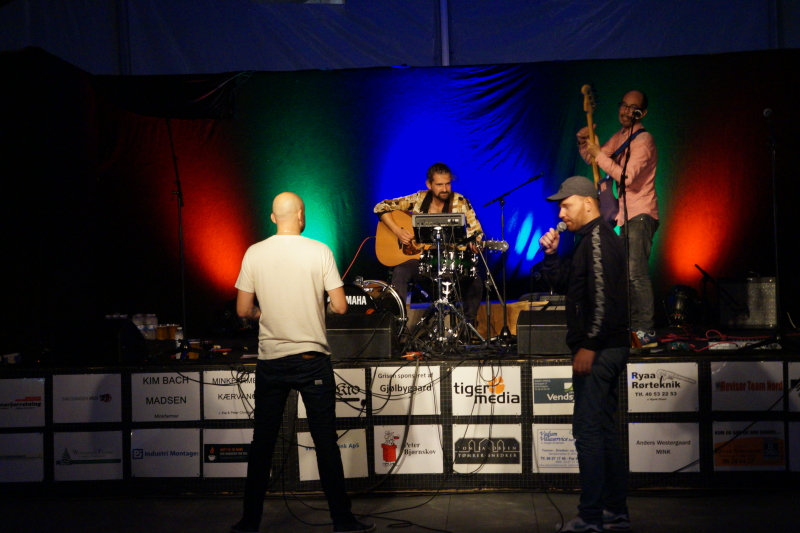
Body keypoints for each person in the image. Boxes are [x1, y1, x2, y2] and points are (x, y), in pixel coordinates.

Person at [232, 192, 375, 533]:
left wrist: (262, 314)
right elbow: (340, 306)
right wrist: (315, 309)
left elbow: (243, 310)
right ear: (301, 215)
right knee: (325, 442)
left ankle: (249, 522)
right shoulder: (319, 251)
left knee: (262, 444)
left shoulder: (254, 252)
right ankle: (342, 521)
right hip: (312, 362)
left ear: (273, 218)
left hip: (271, 361)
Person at [538, 176, 630, 533]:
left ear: (588, 203)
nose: (561, 212)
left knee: (588, 431)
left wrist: (589, 344)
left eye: (566, 204)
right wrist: (551, 256)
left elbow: (603, 299)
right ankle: (615, 511)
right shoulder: (587, 240)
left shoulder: (598, 240)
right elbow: (568, 286)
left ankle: (591, 517)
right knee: (603, 430)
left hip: (601, 348)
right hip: (605, 346)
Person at [577, 90, 659, 347]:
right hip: (626, 216)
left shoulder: (643, 140)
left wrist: (598, 153)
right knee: (626, 276)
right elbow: (595, 160)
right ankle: (632, 329)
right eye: (623, 105)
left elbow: (626, 177)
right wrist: (584, 143)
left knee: (636, 274)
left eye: (632, 107)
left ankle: (646, 330)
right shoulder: (621, 136)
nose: (625, 111)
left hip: (641, 214)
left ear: (642, 113)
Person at [373, 162, 484, 325]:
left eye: (448, 184)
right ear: (429, 184)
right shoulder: (419, 199)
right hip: (422, 261)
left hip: (449, 261)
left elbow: (477, 233)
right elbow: (381, 207)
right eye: (439, 185)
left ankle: (467, 326)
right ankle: (398, 325)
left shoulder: (460, 201)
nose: (445, 189)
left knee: (476, 281)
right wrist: (398, 231)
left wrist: (476, 243)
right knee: (400, 272)